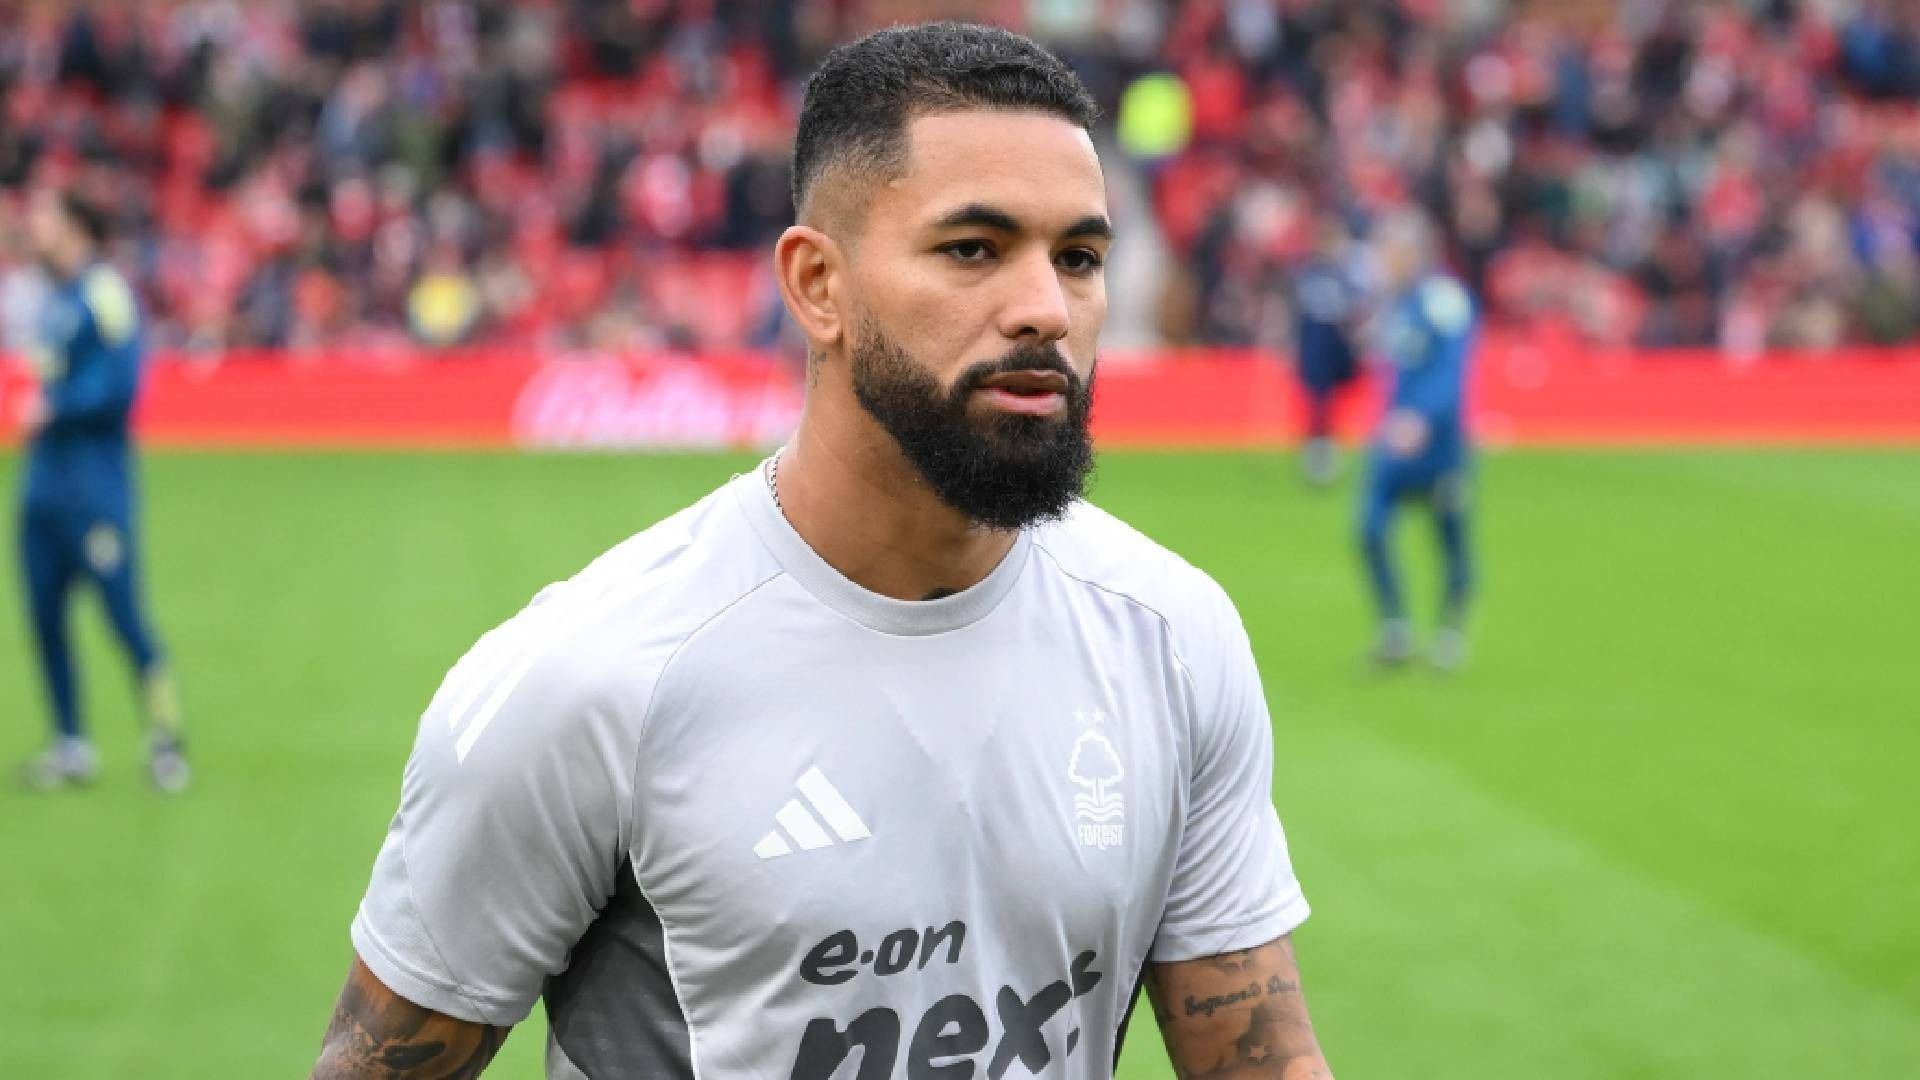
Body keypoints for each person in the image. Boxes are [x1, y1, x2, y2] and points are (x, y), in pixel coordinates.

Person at [312, 23, 1334, 1080]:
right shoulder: (589, 681)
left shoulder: (1171, 637)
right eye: (973, 249)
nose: (1045, 309)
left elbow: (1258, 1061)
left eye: (1078, 258)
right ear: (816, 286)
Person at [15, 188, 187, 791]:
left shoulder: (105, 294)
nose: (33, 226)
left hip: (94, 489)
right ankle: (71, 744)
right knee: (45, 618)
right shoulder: (54, 299)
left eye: (44, 215)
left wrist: (57, 407)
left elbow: (122, 384)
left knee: (123, 617)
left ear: (75, 226)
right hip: (44, 487)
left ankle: (166, 738)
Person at [1357, 207, 1477, 670]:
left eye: (1391, 251)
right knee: (1370, 529)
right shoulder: (1395, 303)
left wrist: (1423, 417)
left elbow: (1451, 370)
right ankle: (1396, 628)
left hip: (1439, 446)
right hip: (1394, 441)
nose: (1384, 260)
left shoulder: (1445, 300)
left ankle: (1450, 630)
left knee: (1450, 536)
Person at [1292, 219, 1364, 486]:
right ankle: (1318, 457)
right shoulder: (1308, 274)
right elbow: (1298, 313)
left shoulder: (1344, 275)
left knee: (1331, 403)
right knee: (1318, 404)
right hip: (1315, 346)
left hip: (1336, 345)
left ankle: (1325, 451)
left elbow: (1354, 310)